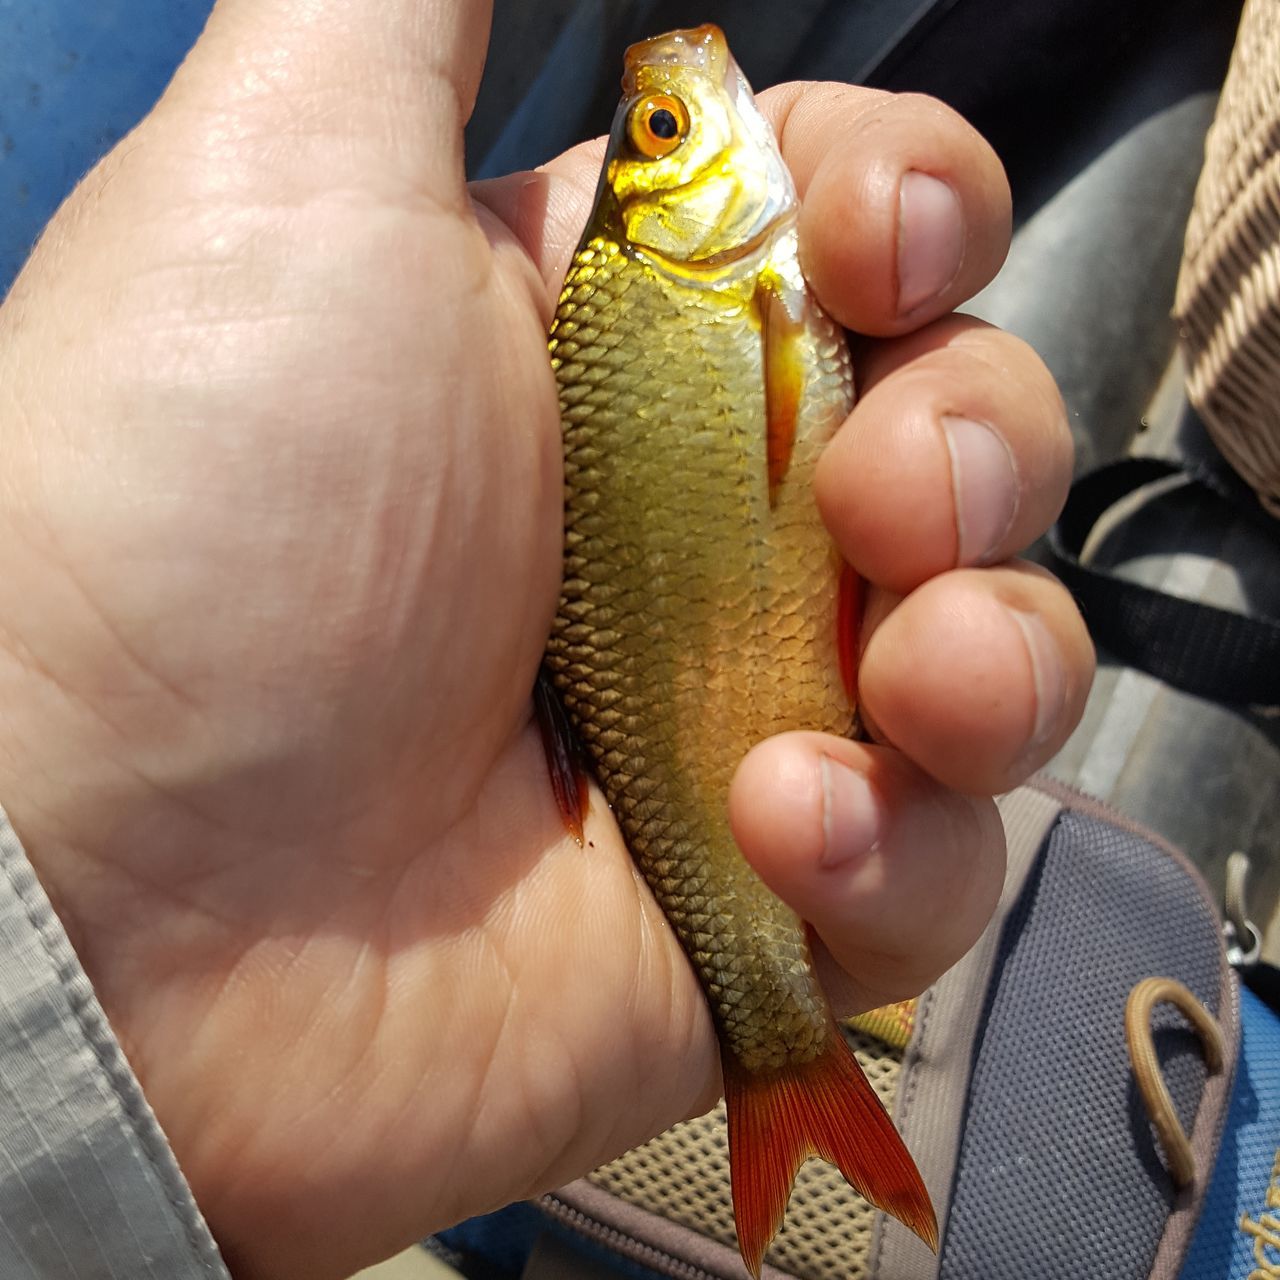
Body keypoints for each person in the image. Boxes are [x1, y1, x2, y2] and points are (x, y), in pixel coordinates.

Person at [0, 0, 1093, 1276]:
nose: (685, 85)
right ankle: (780, 1060)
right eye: (669, 128)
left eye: (663, 124)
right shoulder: (686, 289)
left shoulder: (669, 290)